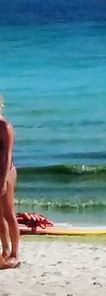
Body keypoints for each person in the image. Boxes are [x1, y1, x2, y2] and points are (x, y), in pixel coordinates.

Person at [0, 95, 18, 270]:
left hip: (7, 172)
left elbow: (7, 155)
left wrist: (3, 179)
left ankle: (14, 254)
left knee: (8, 213)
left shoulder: (5, 127)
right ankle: (4, 251)